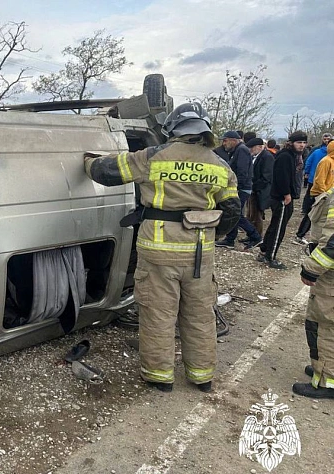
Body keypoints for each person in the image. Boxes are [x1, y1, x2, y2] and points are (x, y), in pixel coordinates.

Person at [83, 102, 240, 393]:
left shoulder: (154, 157)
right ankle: (201, 376)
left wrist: (87, 160)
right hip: (199, 255)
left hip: (158, 252)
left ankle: (159, 376)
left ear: (173, 128)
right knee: (199, 314)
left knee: (158, 314)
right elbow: (232, 212)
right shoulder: (221, 165)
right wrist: (206, 235)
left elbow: (107, 172)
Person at [293, 189, 334, 399]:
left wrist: (312, 267)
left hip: (330, 276)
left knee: (324, 325)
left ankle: (326, 381)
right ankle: (327, 368)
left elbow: (333, 243)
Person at [257, 131, 307, 269]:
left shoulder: (293, 156)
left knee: (275, 225)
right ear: (291, 142)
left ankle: (263, 251)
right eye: (299, 142)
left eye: (303, 142)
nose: (302, 145)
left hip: (284, 196)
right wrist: (286, 194)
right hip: (281, 198)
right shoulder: (285, 156)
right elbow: (281, 176)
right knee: (279, 228)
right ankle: (270, 256)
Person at [215, 131, 262, 249]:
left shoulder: (241, 150)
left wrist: (235, 187)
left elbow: (242, 171)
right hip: (240, 187)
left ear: (233, 140)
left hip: (241, 188)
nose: (224, 143)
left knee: (236, 215)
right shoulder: (237, 150)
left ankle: (255, 236)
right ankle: (230, 239)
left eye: (225, 140)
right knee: (234, 214)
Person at [295, 133, 334, 244]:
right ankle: (301, 234)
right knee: (311, 214)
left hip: (327, 193)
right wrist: (323, 194)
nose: (326, 140)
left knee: (320, 217)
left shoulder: (332, 161)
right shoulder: (324, 158)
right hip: (319, 192)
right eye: (325, 138)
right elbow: (320, 178)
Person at [245, 138, 274, 236]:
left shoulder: (267, 157)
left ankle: (257, 236)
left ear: (259, 147)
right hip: (254, 190)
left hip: (260, 191)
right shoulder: (256, 156)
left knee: (257, 216)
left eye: (252, 148)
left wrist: (254, 187)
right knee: (251, 214)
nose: (250, 150)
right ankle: (251, 235)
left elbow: (266, 177)